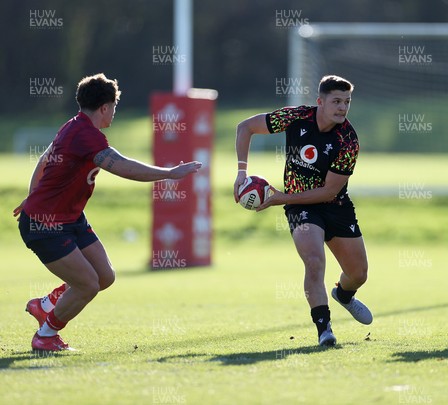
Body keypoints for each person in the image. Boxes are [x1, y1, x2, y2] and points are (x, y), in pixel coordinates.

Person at [14, 73, 202, 351]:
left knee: (104, 276)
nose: (114, 112)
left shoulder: (73, 126)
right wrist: (170, 173)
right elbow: (122, 166)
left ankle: (47, 304)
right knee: (88, 285)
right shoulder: (86, 135)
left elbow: (44, 160)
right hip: (45, 225)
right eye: (114, 106)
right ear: (104, 107)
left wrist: (33, 195)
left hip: (70, 219)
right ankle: (46, 335)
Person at [233, 75, 372, 346]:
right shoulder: (297, 117)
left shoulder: (348, 141)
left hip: (336, 206)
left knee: (359, 274)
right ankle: (325, 330)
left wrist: (278, 198)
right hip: (299, 205)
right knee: (314, 261)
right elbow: (245, 127)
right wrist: (241, 172)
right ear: (320, 102)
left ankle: (344, 295)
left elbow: (329, 191)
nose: (342, 108)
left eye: (347, 102)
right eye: (336, 101)